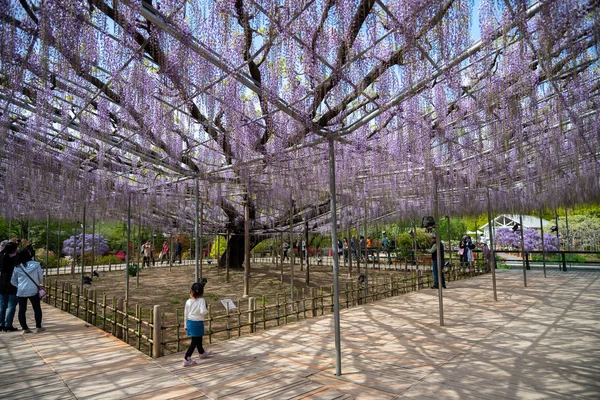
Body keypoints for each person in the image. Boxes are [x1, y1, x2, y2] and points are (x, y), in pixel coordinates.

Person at [0, 240, 34, 332]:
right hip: (13, 285)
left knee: (2, 306)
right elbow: (30, 254)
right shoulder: (16, 258)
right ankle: (8, 325)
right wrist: (27, 244)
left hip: (2, 285)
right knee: (11, 305)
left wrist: (10, 242)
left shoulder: (2, 257)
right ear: (15, 250)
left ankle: (1, 324)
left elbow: (2, 250)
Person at [11, 248, 45, 333]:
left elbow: (13, 280)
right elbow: (40, 277)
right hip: (33, 289)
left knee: (22, 310)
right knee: (37, 308)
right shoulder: (36, 265)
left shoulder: (17, 267)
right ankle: (38, 326)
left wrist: (19, 286)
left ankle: (25, 328)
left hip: (21, 291)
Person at [182, 281, 211, 366]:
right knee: (194, 341)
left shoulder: (188, 301)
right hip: (198, 323)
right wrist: (206, 309)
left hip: (190, 322)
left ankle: (202, 352)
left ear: (191, 291)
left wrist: (185, 325)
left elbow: (185, 314)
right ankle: (187, 357)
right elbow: (203, 312)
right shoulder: (202, 301)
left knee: (198, 339)